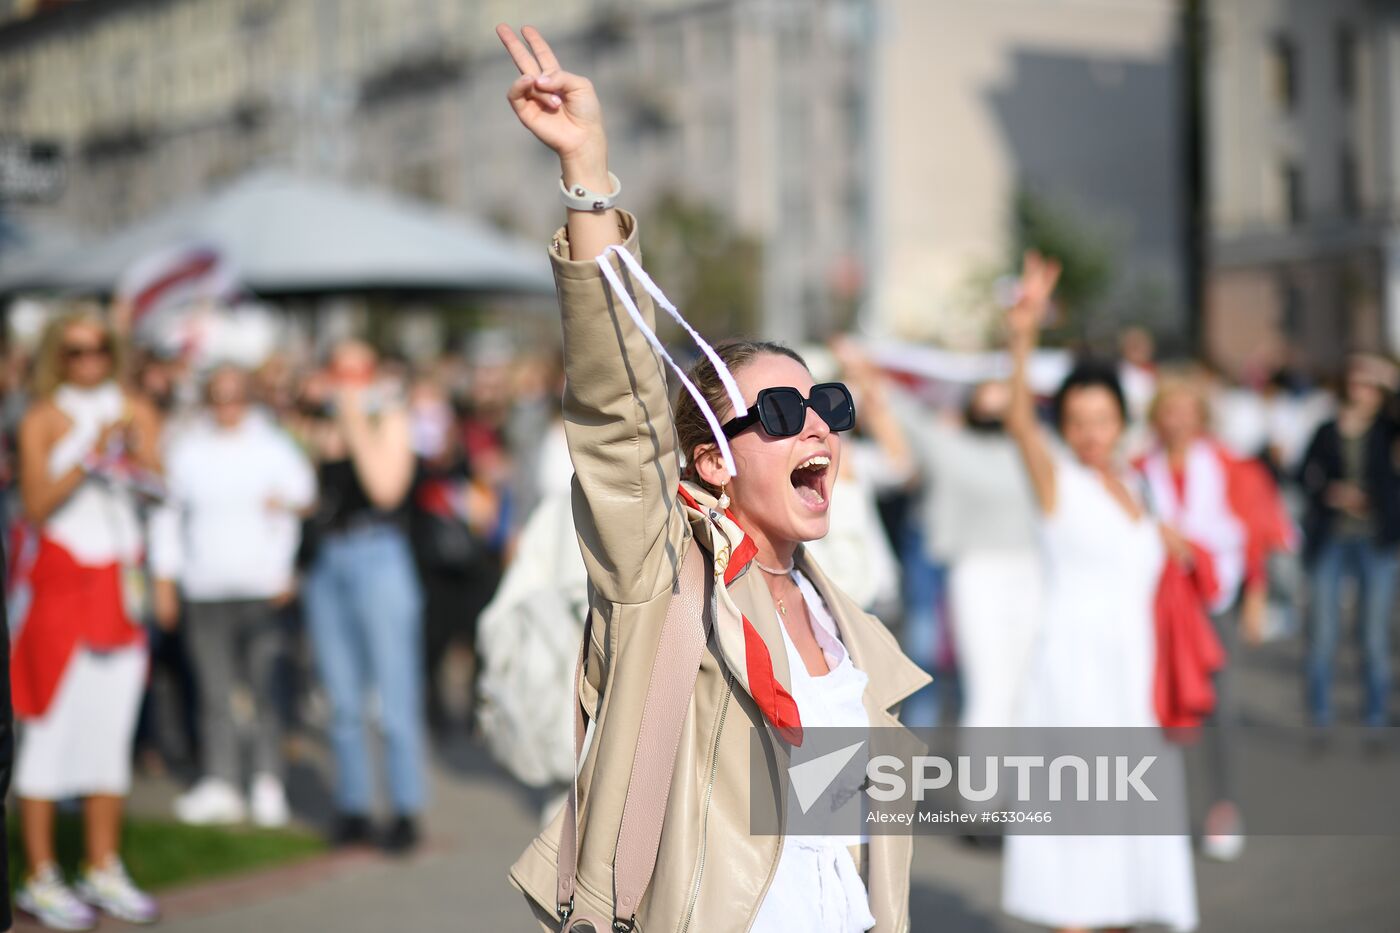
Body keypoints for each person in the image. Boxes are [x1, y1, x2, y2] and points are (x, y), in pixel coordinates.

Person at [495, 25, 929, 932]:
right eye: (776, 415)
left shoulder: (842, 617)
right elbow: (619, 420)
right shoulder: (662, 583)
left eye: (827, 407)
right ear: (710, 461)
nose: (814, 426)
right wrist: (589, 175)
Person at [999, 257, 1198, 933]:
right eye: (1078, 420)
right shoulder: (1058, 483)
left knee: (1124, 839)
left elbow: (1153, 550)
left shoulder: (1137, 489)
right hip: (1075, 675)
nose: (1090, 432)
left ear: (1121, 419)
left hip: (1132, 673)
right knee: (1081, 834)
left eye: (1102, 418)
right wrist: (1022, 338)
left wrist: (1173, 545)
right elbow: (1021, 422)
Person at [11, 310, 161, 929]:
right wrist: (88, 459)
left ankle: (102, 864)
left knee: (109, 737)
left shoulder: (136, 411)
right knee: (49, 734)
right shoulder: (44, 417)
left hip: (118, 587)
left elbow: (160, 486)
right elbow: (36, 504)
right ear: (57, 356)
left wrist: (132, 463)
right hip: (61, 587)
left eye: (98, 349)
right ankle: (39, 874)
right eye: (74, 351)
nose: (88, 361)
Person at [1137, 372, 1293, 861]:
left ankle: (1223, 807)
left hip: (1213, 599)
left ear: (1201, 416)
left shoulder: (1229, 466)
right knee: (1156, 705)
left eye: (1188, 410)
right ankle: (1159, 808)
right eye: (1170, 410)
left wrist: (1256, 596)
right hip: (1156, 603)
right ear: (1157, 417)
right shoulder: (1139, 468)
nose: (1179, 420)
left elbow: (1255, 531)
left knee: (1219, 707)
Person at [152, 364, 316, 827]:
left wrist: (284, 564)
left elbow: (304, 497)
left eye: (236, 396)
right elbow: (168, 515)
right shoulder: (188, 450)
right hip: (205, 588)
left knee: (266, 687)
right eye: (219, 397)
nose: (228, 407)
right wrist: (165, 578)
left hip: (260, 588)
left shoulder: (272, 445)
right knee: (215, 691)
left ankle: (267, 780)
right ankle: (222, 780)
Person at [300, 340, 425, 852]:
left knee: (393, 694)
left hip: (379, 554)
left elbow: (384, 489)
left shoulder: (388, 417)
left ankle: (404, 809)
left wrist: (353, 419)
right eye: (338, 368)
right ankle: (352, 804)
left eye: (358, 369)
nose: (348, 379)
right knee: (342, 695)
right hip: (328, 560)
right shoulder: (319, 421)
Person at [1298, 353, 1400, 728]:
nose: (1363, 391)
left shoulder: (1387, 429)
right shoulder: (1326, 429)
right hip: (1332, 538)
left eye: (1371, 385)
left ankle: (1375, 714)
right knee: (1324, 631)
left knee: (1373, 634)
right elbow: (1302, 474)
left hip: (1375, 539)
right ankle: (1319, 712)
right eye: (1358, 382)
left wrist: (1391, 377)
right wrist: (1329, 491)